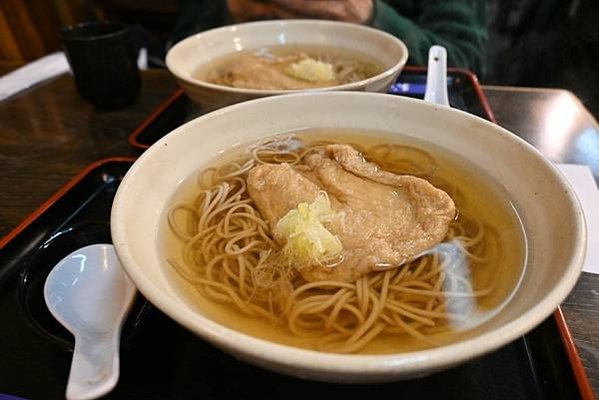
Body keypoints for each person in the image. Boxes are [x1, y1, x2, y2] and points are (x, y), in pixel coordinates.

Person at [172, 0, 489, 74]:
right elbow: (184, 46)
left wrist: (366, 15)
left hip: (382, 105)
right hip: (233, 105)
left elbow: (464, 58)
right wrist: (232, 10)